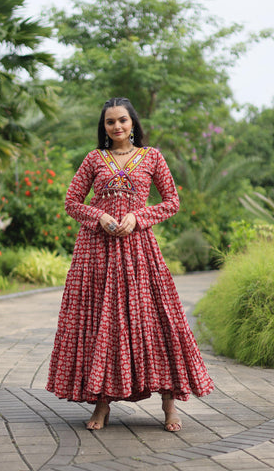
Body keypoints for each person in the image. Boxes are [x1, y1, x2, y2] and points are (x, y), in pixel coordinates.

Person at [46, 97, 214, 432]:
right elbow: (71, 201)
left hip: (139, 252)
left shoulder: (152, 157)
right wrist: (100, 216)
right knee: (102, 323)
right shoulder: (94, 158)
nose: (117, 127)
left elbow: (171, 202)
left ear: (133, 123)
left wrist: (137, 217)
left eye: (123, 120)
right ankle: (101, 404)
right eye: (110, 122)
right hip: (96, 253)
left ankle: (169, 408)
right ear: (104, 127)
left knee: (155, 320)